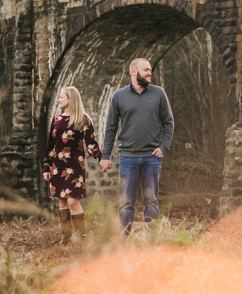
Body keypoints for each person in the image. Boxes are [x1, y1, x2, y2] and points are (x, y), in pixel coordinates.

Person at [100, 58, 174, 234]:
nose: (150, 73)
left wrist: (163, 147)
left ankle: (152, 239)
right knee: (126, 202)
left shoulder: (159, 93)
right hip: (128, 157)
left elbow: (169, 122)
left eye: (150, 70)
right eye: (146, 70)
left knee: (151, 201)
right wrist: (105, 155)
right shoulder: (119, 96)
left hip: (152, 157)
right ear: (134, 71)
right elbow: (110, 128)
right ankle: (125, 240)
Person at [42, 86, 103, 244]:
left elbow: (91, 145)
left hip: (75, 167)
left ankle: (82, 237)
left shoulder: (83, 119)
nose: (58, 99)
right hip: (57, 167)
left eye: (61, 97)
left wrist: (101, 159)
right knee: (62, 201)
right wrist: (46, 167)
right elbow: (50, 146)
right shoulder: (56, 120)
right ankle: (67, 237)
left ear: (71, 99)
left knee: (73, 201)